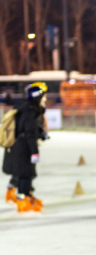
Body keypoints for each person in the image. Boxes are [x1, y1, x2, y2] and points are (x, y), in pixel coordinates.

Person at [3, 82, 49, 212]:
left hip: (18, 147)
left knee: (25, 174)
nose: (44, 99)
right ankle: (23, 199)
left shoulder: (24, 107)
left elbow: (27, 128)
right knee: (25, 174)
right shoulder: (30, 110)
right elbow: (29, 133)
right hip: (23, 148)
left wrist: (40, 133)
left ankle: (26, 195)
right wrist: (34, 152)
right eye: (43, 96)